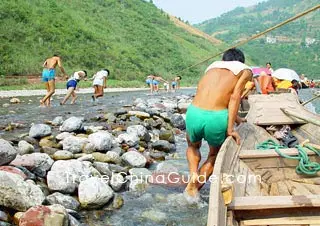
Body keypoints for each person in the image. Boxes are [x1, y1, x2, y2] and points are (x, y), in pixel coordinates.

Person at [184, 48, 252, 201]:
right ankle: (194, 188)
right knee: (214, 155)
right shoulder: (245, 71)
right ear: (241, 61)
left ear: (223, 59)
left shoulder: (212, 67)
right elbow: (234, 98)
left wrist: (237, 119)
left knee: (193, 146)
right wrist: (230, 129)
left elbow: (210, 93)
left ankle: (193, 172)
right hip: (216, 118)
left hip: (194, 113)